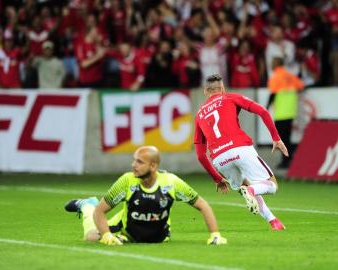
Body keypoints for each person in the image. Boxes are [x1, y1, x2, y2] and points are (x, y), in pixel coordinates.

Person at [65, 146, 227, 245]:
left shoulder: (171, 182)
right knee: (91, 236)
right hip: (126, 229)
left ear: (153, 165)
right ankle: (86, 205)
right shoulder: (126, 181)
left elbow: (202, 205)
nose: (133, 165)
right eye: (134, 160)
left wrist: (215, 235)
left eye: (139, 162)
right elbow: (99, 212)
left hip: (159, 237)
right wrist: (107, 235)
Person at [194, 74, 288, 231]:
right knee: (272, 185)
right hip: (240, 148)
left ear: (205, 91)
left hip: (219, 159)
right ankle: (251, 190)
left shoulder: (199, 115)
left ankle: (274, 222)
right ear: (222, 88)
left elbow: (200, 155)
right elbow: (263, 111)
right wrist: (276, 138)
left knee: (246, 185)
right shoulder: (230, 97)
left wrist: (217, 179)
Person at [267, 57, 304, 168]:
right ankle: (288, 158)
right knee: (287, 136)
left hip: (281, 112)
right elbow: (301, 86)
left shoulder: (275, 77)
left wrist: (266, 107)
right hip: (290, 111)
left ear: (276, 64)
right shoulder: (290, 76)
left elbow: (272, 94)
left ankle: (286, 160)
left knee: (281, 138)